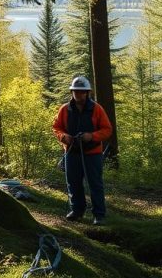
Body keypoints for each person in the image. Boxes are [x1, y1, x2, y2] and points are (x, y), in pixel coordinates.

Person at [52, 75, 113, 225]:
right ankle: (77, 211)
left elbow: (107, 130)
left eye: (82, 92)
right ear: (72, 92)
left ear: (87, 93)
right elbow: (56, 127)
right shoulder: (64, 109)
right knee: (73, 183)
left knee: (95, 184)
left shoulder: (97, 109)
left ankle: (99, 215)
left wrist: (91, 136)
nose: (79, 94)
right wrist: (64, 136)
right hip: (72, 153)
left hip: (92, 154)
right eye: (76, 91)